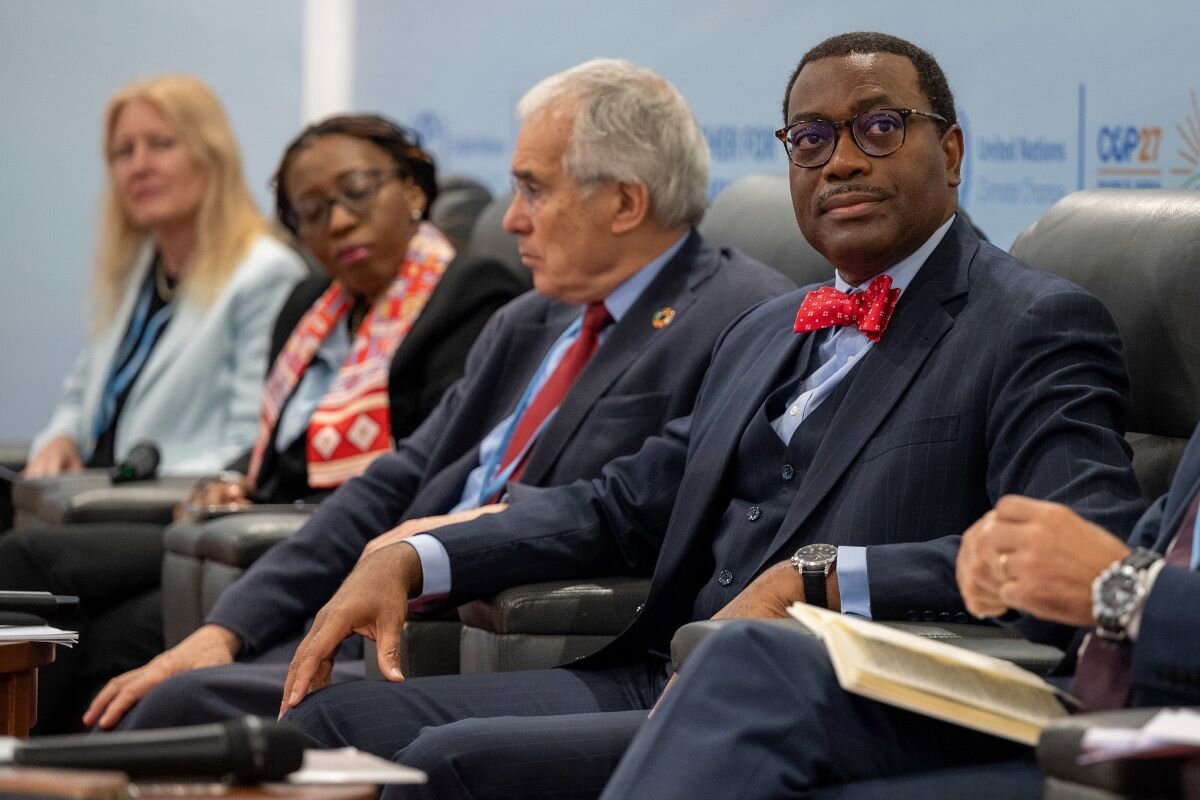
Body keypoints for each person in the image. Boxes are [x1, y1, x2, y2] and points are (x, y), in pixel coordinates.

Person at [277, 32, 1146, 800]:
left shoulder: (1032, 322)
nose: (840, 159)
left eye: (878, 128)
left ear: (950, 152)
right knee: (327, 724)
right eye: (810, 138)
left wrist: (821, 572)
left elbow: (1072, 550)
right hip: (659, 669)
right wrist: (417, 555)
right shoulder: (766, 328)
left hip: (826, 695)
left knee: (447, 762)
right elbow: (623, 503)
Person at [84, 58, 795, 731]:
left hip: (494, 641)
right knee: (164, 688)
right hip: (391, 623)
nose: (511, 219)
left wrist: (430, 550)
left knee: (177, 713)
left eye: (534, 190)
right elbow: (391, 482)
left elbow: (628, 510)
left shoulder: (738, 318)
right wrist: (225, 630)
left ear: (625, 202)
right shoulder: (528, 318)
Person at [0, 113, 525, 733]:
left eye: (356, 192)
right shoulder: (309, 306)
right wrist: (236, 483)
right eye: (311, 212)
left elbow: (426, 473)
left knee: (47, 577)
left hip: (339, 541)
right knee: (87, 631)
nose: (337, 222)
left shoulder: (472, 294)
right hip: (262, 529)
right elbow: (276, 456)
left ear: (413, 187)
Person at [597, 439, 1200, 800]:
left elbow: (1101, 547)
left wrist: (1131, 593)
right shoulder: (760, 326)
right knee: (749, 656)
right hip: (1082, 711)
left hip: (1151, 743)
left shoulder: (1030, 316)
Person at [23, 74, 304, 478]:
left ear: (212, 156)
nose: (139, 166)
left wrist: (131, 489)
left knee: (22, 546)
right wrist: (60, 439)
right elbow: (79, 397)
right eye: (123, 152)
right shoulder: (133, 269)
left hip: (168, 514)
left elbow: (248, 447)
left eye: (161, 145)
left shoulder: (265, 274)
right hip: (87, 498)